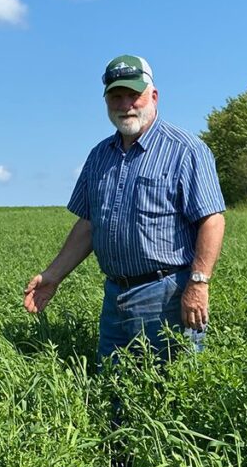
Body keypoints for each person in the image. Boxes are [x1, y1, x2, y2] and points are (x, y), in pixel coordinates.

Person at [23, 54, 226, 364]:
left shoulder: (186, 150)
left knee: (170, 395)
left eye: (134, 95)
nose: (125, 104)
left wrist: (198, 284)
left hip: (168, 295)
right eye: (116, 96)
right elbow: (89, 225)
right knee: (113, 392)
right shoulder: (99, 156)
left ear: (153, 96)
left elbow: (212, 219)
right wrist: (53, 275)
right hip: (114, 297)